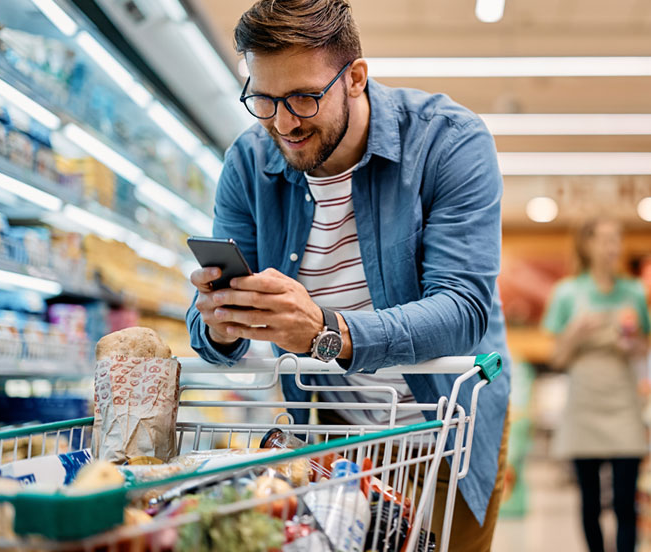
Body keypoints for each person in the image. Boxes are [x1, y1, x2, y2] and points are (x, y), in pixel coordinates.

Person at [184, 1, 512, 549]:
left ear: (355, 77)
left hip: (443, 436)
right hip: (331, 438)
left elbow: (463, 311)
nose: (284, 122)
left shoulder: (448, 142)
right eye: (263, 100)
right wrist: (220, 320)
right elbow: (209, 338)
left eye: (304, 97)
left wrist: (324, 332)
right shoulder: (247, 163)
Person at [542, 218, 651, 552]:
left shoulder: (634, 291)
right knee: (589, 500)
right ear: (586, 245)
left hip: (623, 400)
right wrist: (576, 332)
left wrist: (632, 345)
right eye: (605, 240)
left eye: (617, 239)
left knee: (624, 501)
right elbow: (557, 358)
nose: (612, 248)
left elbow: (647, 346)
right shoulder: (567, 293)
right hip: (584, 403)